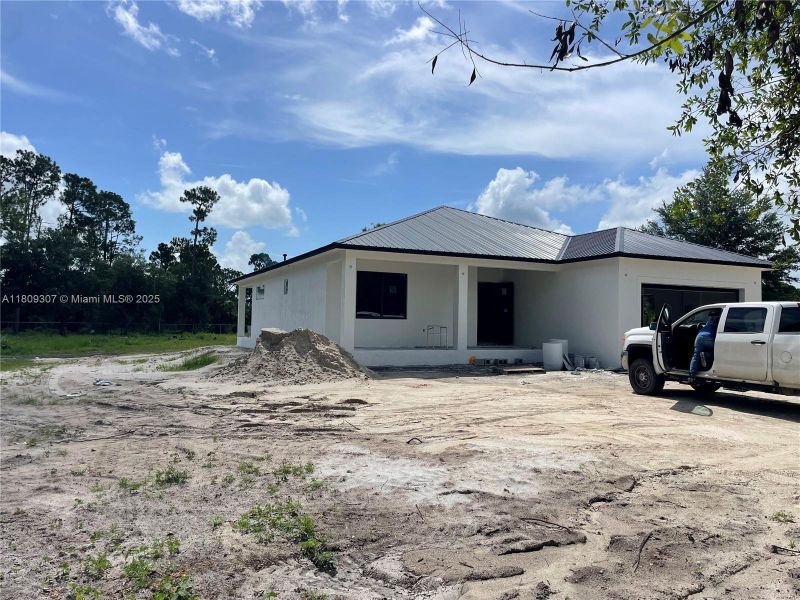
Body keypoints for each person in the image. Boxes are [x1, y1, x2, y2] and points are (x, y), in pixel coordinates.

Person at [689, 314, 719, 382]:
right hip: (710, 337)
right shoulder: (718, 324)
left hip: (699, 337)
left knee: (696, 355)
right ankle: (706, 355)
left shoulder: (708, 323)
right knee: (716, 351)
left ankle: (692, 375)